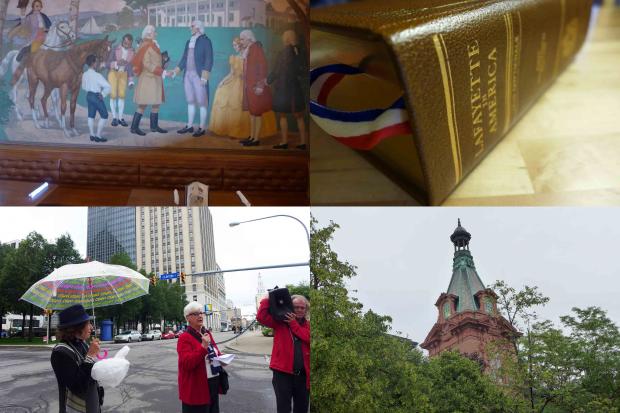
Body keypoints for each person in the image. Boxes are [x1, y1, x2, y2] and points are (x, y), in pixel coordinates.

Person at [208, 37, 276, 139]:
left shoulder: (248, 56)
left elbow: (254, 70)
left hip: (247, 83)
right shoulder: (233, 58)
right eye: (233, 45)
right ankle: (232, 129)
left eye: (236, 45)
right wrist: (222, 81)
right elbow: (231, 74)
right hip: (235, 82)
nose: (234, 47)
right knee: (221, 92)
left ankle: (250, 134)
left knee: (244, 103)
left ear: (241, 45)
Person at [257, 294, 310, 413]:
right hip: (283, 375)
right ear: (290, 307)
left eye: (303, 307)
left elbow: (308, 338)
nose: (300, 310)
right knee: (283, 408)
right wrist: (267, 299)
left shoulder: (308, 326)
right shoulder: (280, 322)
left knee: (302, 408)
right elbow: (261, 317)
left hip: (303, 376)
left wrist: (293, 323)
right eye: (296, 307)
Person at [51, 304, 103, 413]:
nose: (91, 328)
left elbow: (90, 373)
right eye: (88, 324)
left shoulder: (83, 344)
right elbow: (77, 386)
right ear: (77, 327)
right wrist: (90, 356)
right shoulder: (60, 352)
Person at [178, 302, 223, 413]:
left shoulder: (206, 333)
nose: (200, 316)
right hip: (195, 389)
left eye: (201, 313)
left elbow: (216, 352)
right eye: (196, 313)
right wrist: (203, 347)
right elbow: (187, 363)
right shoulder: (184, 338)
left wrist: (223, 359)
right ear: (188, 318)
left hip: (212, 384)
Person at [172, 20, 213, 138]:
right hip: (188, 75)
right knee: (190, 101)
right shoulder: (188, 42)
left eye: (192, 26)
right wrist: (176, 71)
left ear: (198, 28)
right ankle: (189, 126)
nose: (190, 28)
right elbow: (184, 59)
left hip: (199, 76)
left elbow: (209, 60)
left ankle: (201, 127)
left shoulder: (206, 41)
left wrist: (205, 77)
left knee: (202, 103)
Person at [269, 30, 307, 151]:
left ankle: (285, 142)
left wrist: (267, 81)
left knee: (283, 115)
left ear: (286, 39)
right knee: (298, 116)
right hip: (293, 87)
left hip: (284, 88)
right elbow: (302, 70)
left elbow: (276, 71)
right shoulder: (300, 51)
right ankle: (302, 142)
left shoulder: (284, 53)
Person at [130, 25, 168, 136]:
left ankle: (154, 127)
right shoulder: (146, 45)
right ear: (148, 34)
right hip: (148, 78)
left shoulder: (153, 44)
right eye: (153, 32)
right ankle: (134, 127)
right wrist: (160, 71)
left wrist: (164, 62)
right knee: (143, 104)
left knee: (156, 103)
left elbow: (156, 60)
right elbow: (146, 64)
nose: (156, 33)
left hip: (155, 78)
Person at [239, 29, 272, 147]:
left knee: (256, 113)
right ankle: (252, 136)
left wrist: (260, 85)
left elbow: (263, 67)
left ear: (249, 38)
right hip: (250, 86)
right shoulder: (249, 49)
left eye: (242, 39)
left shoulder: (256, 48)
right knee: (252, 112)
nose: (241, 41)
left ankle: (256, 139)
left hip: (256, 87)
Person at [107, 34, 135, 128]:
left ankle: (120, 118)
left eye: (129, 44)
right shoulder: (115, 49)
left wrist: (131, 80)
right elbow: (108, 63)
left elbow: (131, 66)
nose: (127, 45)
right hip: (113, 73)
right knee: (113, 95)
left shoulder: (132, 51)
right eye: (125, 43)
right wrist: (117, 63)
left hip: (124, 74)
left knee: (122, 96)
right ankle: (114, 118)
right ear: (122, 41)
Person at [82, 54, 111, 143]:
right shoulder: (97, 75)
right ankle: (98, 135)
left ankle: (92, 134)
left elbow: (83, 87)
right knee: (105, 115)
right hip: (96, 96)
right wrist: (103, 94)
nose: (97, 63)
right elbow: (108, 86)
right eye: (96, 62)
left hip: (89, 96)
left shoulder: (85, 74)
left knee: (91, 115)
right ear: (93, 63)